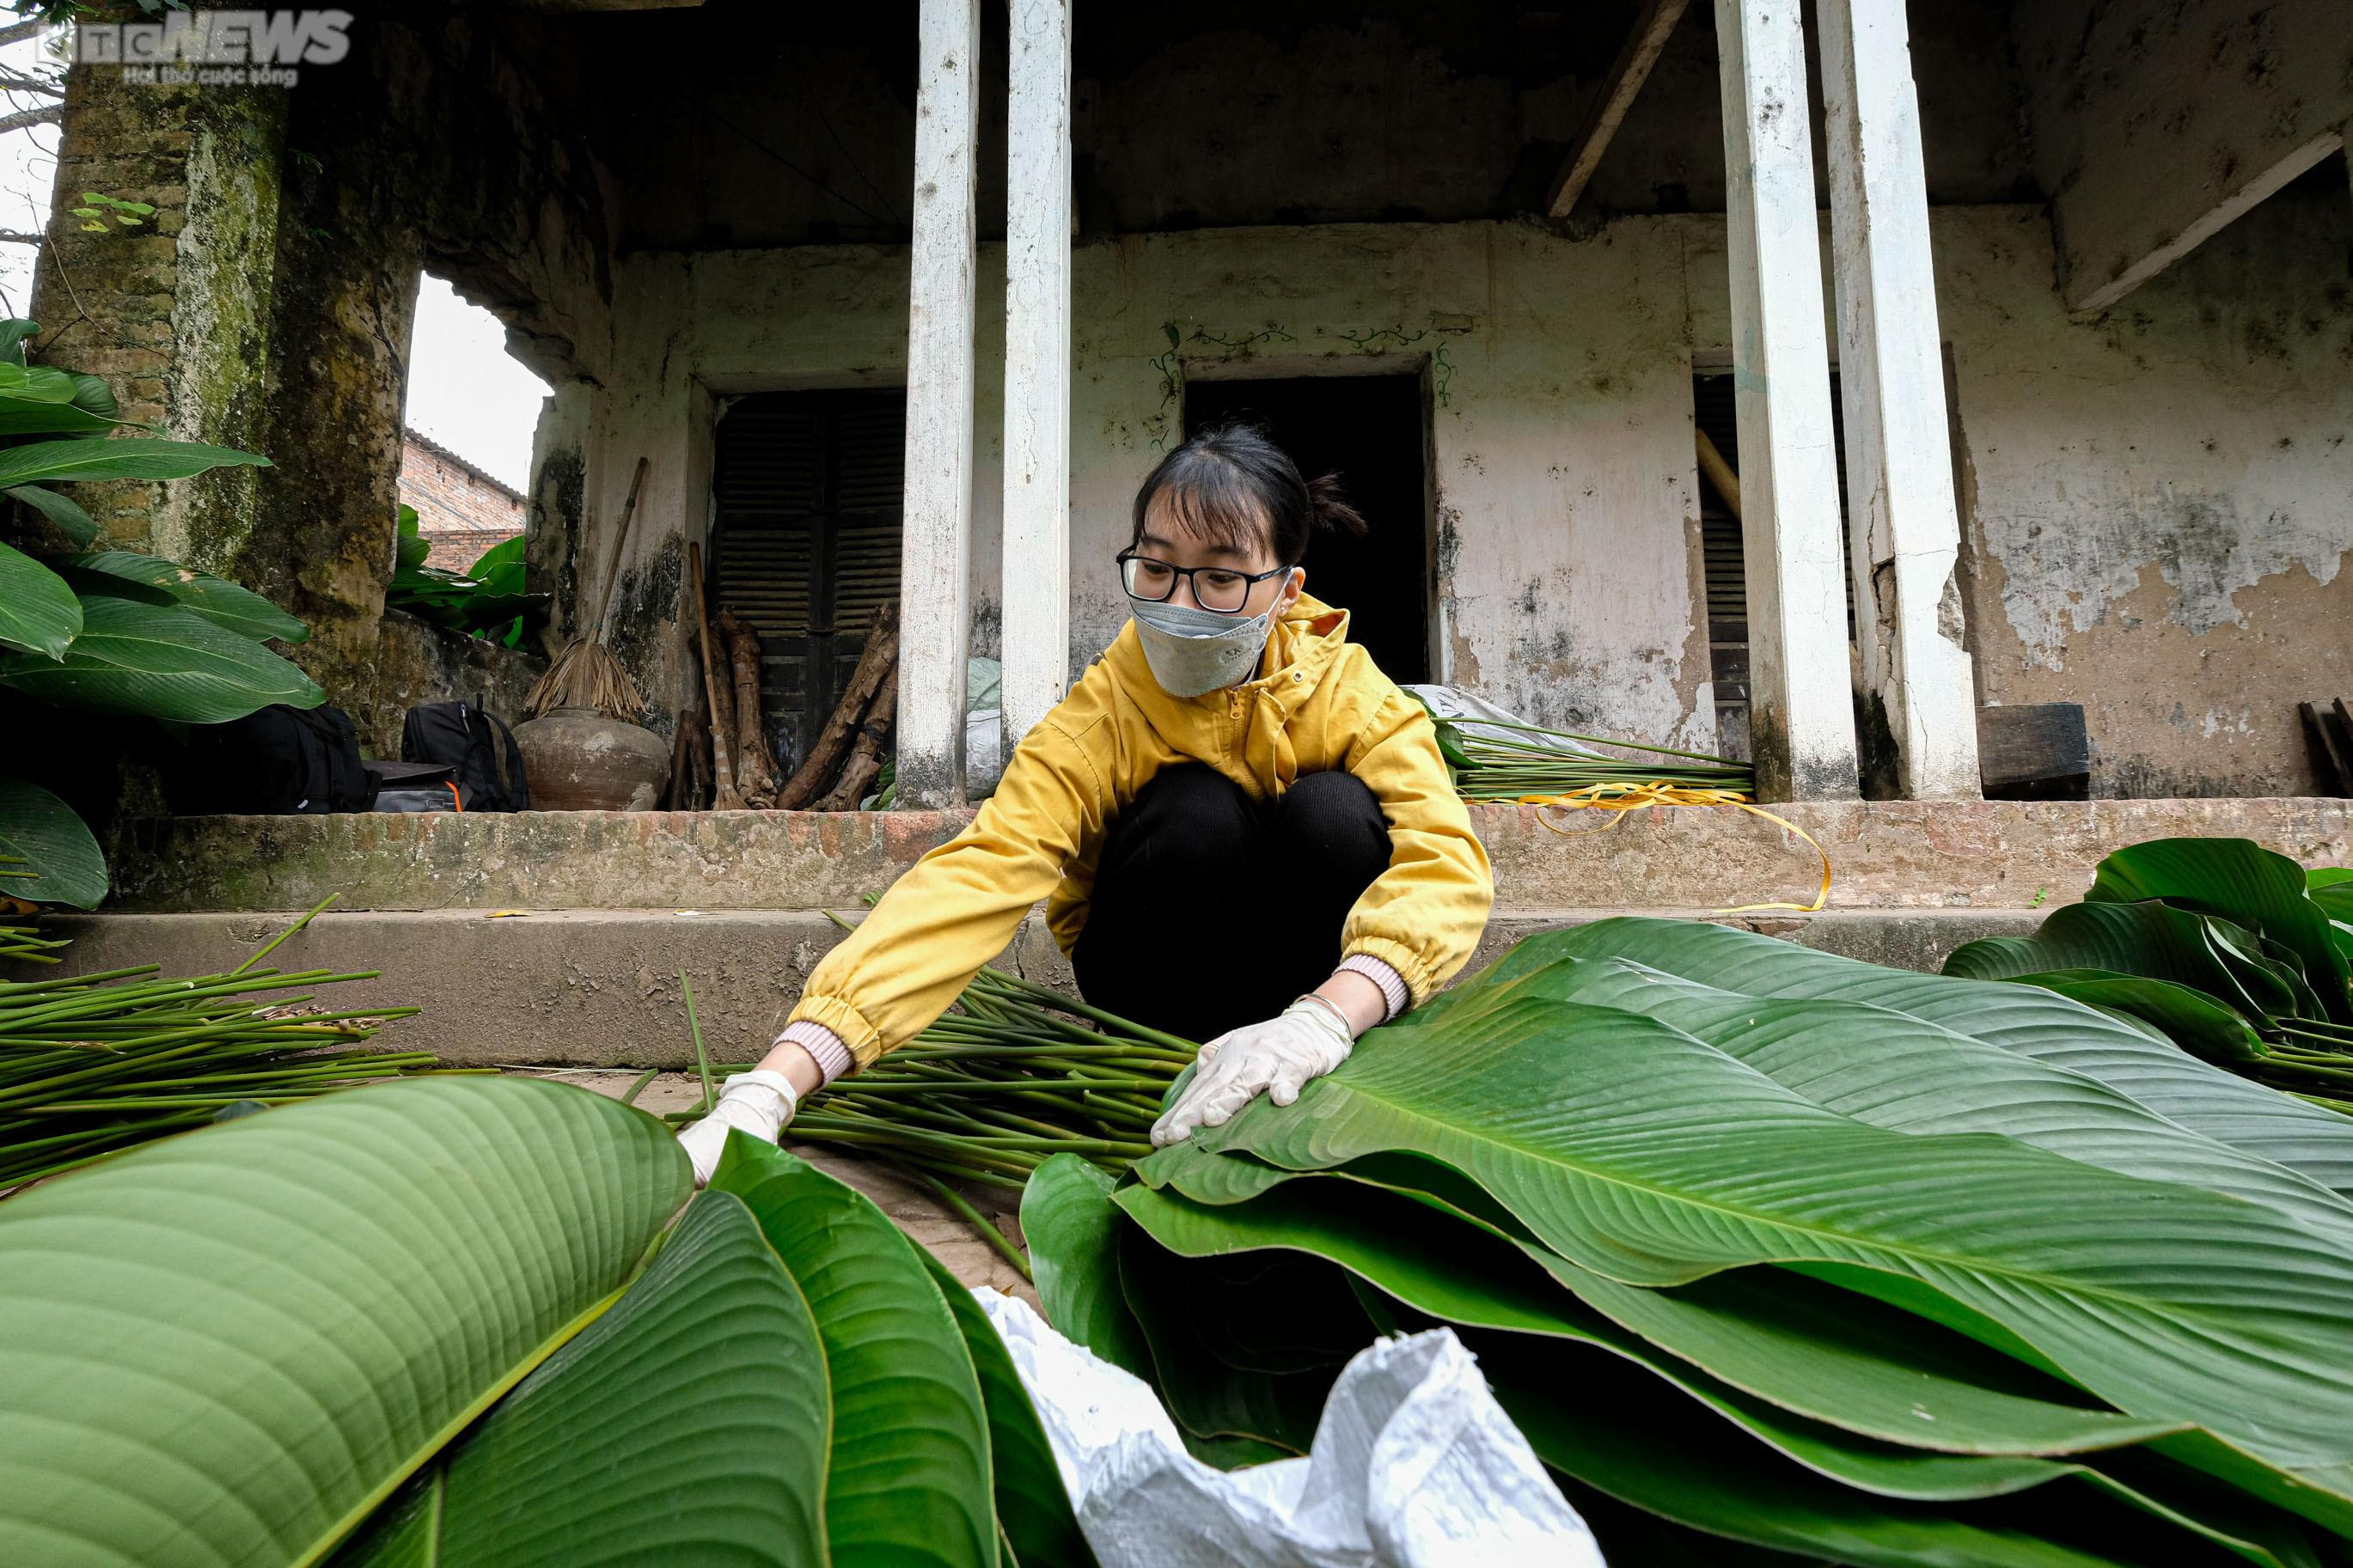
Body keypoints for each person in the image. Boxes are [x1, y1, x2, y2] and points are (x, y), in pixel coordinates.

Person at [676, 422, 1494, 1184]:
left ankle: (1300, 1050)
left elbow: (1445, 861)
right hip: (1158, 994)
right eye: (1157, 566)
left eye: (1219, 577)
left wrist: (1322, 1019)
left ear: (1285, 589)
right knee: (1193, 811)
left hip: (1304, 1004)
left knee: (1336, 815)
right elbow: (983, 870)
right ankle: (1174, 1072)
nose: (1178, 601)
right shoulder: (1103, 710)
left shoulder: (1350, 692)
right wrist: (776, 1084)